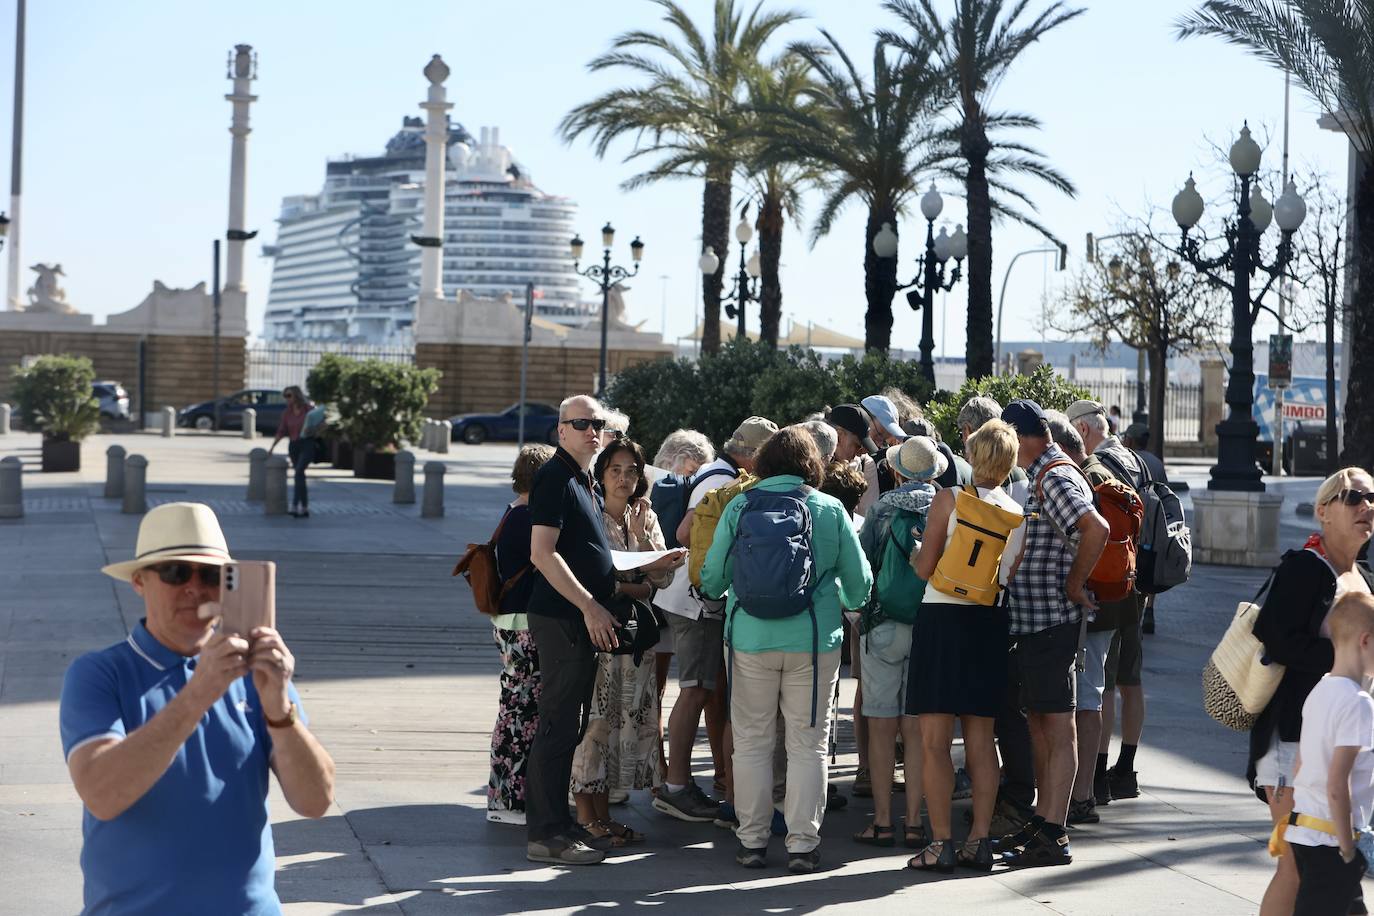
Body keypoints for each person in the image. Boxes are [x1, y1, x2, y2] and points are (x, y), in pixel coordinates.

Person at [60, 502, 335, 913]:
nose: (195, 588)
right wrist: (197, 694)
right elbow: (102, 794)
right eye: (175, 572)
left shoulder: (255, 670)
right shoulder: (100, 673)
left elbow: (315, 802)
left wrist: (280, 708)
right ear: (139, 582)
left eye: (210, 575)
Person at [701, 427, 873, 874]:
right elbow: (859, 585)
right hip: (813, 642)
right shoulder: (829, 508)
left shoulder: (740, 506)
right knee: (808, 744)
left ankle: (752, 841)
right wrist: (845, 600)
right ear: (812, 465)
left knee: (751, 743)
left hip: (748, 640)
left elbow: (712, 578)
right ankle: (802, 844)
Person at [1250, 467, 1374, 915]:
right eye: (1353, 497)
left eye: (1372, 498)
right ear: (1323, 511)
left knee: (1311, 869)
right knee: (1295, 865)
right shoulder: (1305, 567)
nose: (1366, 506)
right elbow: (1275, 636)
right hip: (1293, 739)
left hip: (1337, 741)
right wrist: (1342, 659)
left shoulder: (1363, 576)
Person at [994, 399, 1108, 869]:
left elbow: (1095, 528)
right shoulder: (1044, 471)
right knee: (1042, 724)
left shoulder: (1054, 475)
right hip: (1038, 622)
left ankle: (1054, 832)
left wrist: (1075, 585)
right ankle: (1043, 822)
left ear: (1019, 437)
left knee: (1057, 726)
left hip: (1052, 622)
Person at [907, 421, 1025, 872]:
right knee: (981, 738)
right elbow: (1008, 575)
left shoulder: (950, 499)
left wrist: (918, 554)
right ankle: (979, 840)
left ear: (973, 456)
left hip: (942, 619)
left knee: (934, 741)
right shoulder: (1016, 514)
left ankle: (941, 843)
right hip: (988, 623)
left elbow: (925, 568)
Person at [655, 417, 778, 823]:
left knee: (700, 689)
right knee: (695, 690)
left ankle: (680, 783)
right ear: (755, 454)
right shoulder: (721, 480)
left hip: (690, 597)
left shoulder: (715, 472)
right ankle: (676, 786)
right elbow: (685, 532)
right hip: (697, 600)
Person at [571, 438, 684, 846]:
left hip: (635, 639)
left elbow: (662, 577)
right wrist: (632, 586)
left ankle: (604, 815)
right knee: (595, 723)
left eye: (631, 471)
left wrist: (640, 540)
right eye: (615, 470)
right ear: (601, 475)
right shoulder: (591, 514)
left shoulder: (645, 516)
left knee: (624, 726)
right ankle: (586, 817)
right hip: (599, 634)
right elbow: (594, 580)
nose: (623, 478)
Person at [524, 395, 620, 865]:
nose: (591, 430)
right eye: (581, 423)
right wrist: (589, 606)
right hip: (562, 617)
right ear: (561, 430)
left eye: (597, 423)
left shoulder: (584, 479)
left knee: (571, 725)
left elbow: (584, 551)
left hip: (579, 618)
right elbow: (542, 553)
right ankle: (545, 835)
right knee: (557, 725)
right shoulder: (554, 476)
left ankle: (561, 826)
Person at [854, 437, 944, 852]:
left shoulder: (883, 508)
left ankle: (882, 821)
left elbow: (866, 563)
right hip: (929, 622)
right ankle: (914, 822)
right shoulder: (947, 506)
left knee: (880, 724)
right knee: (916, 727)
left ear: (897, 470)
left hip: (885, 622)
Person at [1068, 399, 1149, 809]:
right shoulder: (1140, 461)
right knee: (1130, 682)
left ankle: (1096, 779)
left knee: (1102, 686)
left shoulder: (1094, 468)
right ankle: (1126, 770)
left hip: (1108, 587)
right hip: (1135, 584)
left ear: (1081, 430)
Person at [1283, 591, 1374, 916]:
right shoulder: (1358, 703)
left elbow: (1300, 764)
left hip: (1305, 831)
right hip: (1332, 841)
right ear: (1365, 641)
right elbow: (1338, 784)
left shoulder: (1320, 690)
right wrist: (1348, 850)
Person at [487, 443, 556, 825]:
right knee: (521, 711)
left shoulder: (512, 510)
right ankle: (509, 802)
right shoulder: (529, 517)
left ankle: (507, 797)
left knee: (515, 705)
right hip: (524, 623)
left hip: (509, 621)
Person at [827, 403, 889, 514]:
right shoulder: (812, 461)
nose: (862, 452)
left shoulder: (865, 463)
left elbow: (867, 515)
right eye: (857, 445)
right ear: (838, 436)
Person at [268, 385, 317, 518]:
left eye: (289, 395)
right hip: (294, 445)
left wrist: (315, 430)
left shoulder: (309, 410)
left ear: (297, 395)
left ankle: (295, 505)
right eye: (285, 396)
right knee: (299, 475)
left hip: (307, 444)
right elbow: (281, 431)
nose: (287, 399)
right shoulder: (287, 413)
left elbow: (321, 423)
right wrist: (272, 447)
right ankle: (304, 508)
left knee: (299, 472)